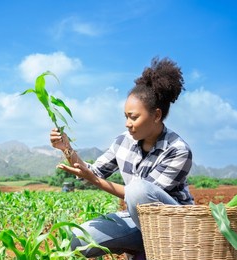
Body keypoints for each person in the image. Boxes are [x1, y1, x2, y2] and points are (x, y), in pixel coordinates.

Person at [49, 57, 194, 259]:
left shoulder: (178, 150)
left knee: (138, 189)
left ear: (157, 115)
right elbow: (92, 172)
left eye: (134, 117)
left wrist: (95, 181)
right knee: (79, 240)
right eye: (126, 116)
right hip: (138, 221)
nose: (127, 123)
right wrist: (66, 149)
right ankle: (141, 250)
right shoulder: (122, 142)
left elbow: (141, 198)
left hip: (176, 225)